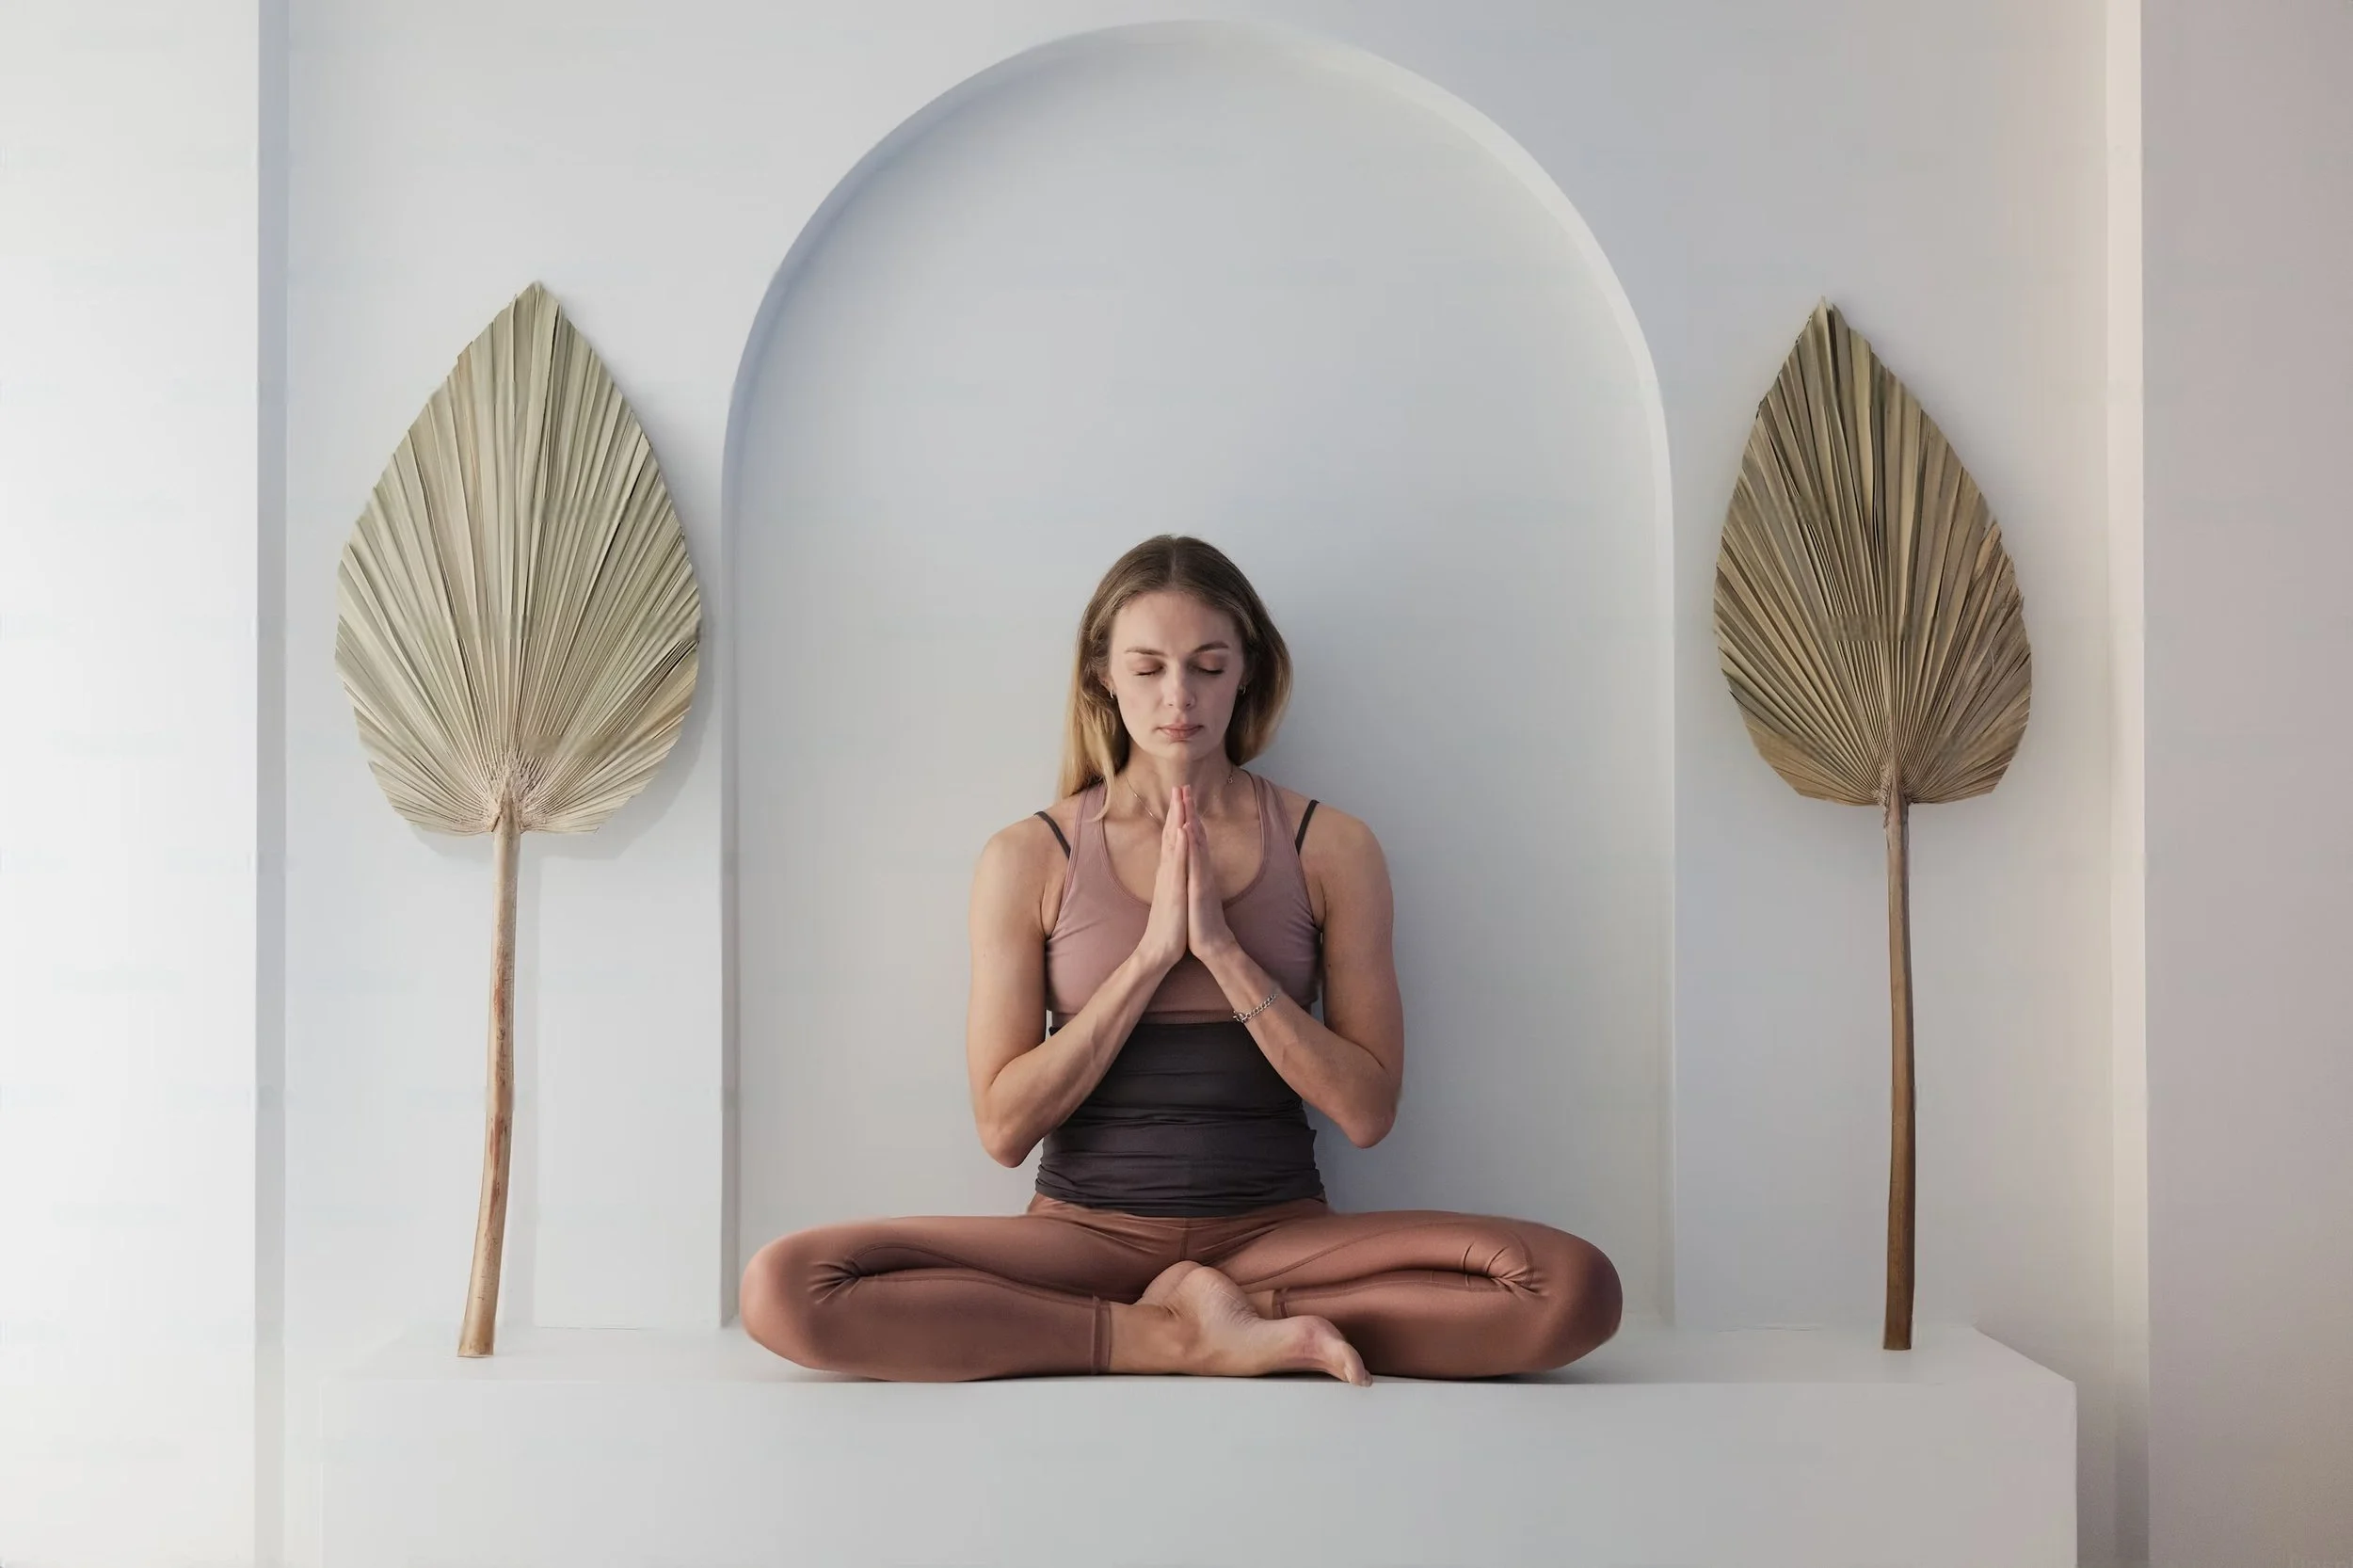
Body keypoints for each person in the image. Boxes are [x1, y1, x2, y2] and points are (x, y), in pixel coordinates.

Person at [738, 535, 1623, 1383]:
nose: (1179, 697)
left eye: (1208, 666)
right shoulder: (1029, 857)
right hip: (1082, 1238)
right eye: (1148, 668)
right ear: (1101, 677)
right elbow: (1004, 1130)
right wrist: (1151, 956)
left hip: (1277, 1235)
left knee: (1568, 1288)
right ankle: (1174, 1337)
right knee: (787, 1287)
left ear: (1246, 673)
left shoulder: (1332, 848)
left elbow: (1367, 1111)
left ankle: (1230, 1309)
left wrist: (1223, 952)